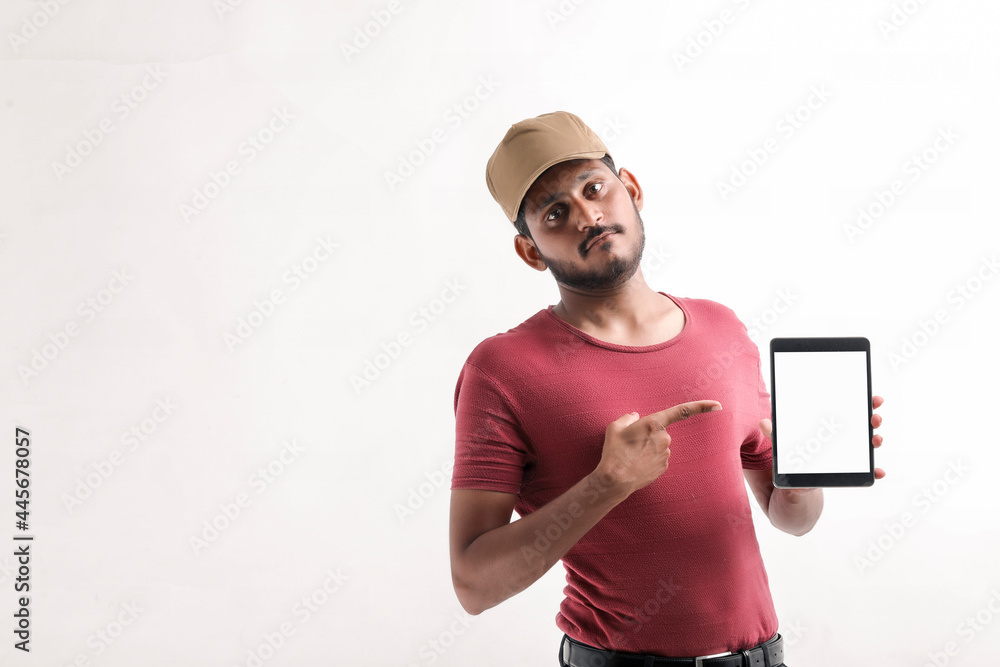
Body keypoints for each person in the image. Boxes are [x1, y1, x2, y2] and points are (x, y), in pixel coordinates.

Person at [449, 111, 885, 667]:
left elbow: (790, 517)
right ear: (531, 250)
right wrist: (607, 484)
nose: (588, 215)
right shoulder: (502, 369)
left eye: (595, 188)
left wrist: (807, 474)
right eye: (556, 212)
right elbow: (473, 585)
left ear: (630, 188)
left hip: (762, 657)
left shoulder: (723, 329)